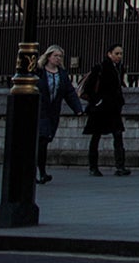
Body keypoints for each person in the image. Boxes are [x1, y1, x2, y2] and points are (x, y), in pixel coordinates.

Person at [35, 44, 84, 184]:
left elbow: (69, 93)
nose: (58, 58)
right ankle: (41, 172)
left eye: (60, 56)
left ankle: (40, 171)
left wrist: (78, 109)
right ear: (48, 56)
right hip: (39, 111)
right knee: (42, 141)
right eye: (55, 55)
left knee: (45, 141)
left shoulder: (61, 74)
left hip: (52, 113)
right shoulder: (39, 71)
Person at [82, 43, 130, 176]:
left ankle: (120, 166)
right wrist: (97, 101)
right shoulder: (100, 68)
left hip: (113, 108)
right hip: (100, 108)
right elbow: (90, 88)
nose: (119, 56)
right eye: (116, 53)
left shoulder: (119, 68)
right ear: (109, 54)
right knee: (96, 136)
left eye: (120, 54)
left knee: (118, 135)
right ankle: (93, 167)